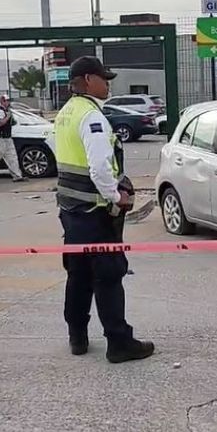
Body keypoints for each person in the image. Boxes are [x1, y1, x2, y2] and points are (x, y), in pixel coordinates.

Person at [54, 56, 154, 364]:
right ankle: (119, 342)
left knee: (78, 274)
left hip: (71, 210)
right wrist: (117, 197)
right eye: (103, 78)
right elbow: (98, 168)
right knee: (109, 276)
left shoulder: (66, 113)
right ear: (87, 80)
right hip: (95, 213)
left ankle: (77, 336)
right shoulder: (91, 117)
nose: (108, 83)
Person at [0, 95, 27, 182]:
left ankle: (17, 176)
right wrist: (7, 118)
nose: (8, 102)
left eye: (9, 101)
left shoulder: (6, 111)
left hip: (7, 138)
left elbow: (11, 123)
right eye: (7, 101)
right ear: (2, 101)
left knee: (12, 157)